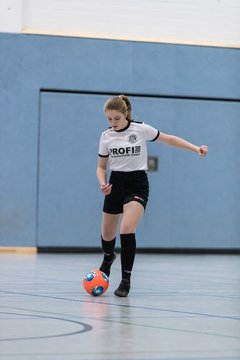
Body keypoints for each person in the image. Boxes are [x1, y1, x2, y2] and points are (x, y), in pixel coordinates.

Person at [97, 95, 208, 297]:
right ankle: (108, 257)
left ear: (126, 114)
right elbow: (101, 167)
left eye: (117, 118)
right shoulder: (106, 136)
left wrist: (195, 148)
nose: (113, 123)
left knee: (127, 228)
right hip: (116, 184)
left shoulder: (140, 129)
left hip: (137, 185)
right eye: (109, 119)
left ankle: (125, 281)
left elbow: (169, 139)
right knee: (107, 236)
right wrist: (102, 183)